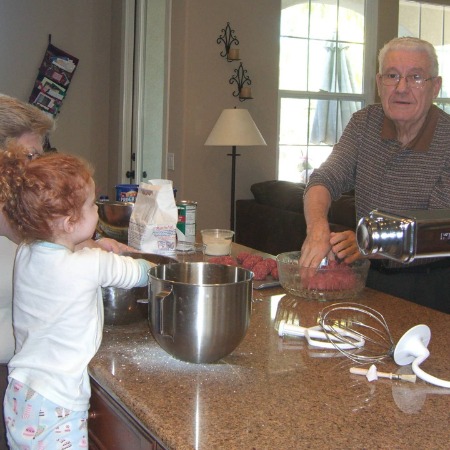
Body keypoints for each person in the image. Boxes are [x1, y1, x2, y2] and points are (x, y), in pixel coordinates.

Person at [0, 145, 153, 448]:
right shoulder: (89, 265)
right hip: (58, 404)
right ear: (70, 222)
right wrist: (153, 265)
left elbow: (63, 254)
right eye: (93, 205)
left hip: (20, 392)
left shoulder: (26, 254)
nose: (98, 209)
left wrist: (90, 246)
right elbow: (138, 273)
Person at [300, 36, 450, 314]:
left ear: (436, 86)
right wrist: (317, 227)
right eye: (392, 76)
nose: (401, 87)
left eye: (415, 77)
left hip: (433, 289)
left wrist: (371, 241)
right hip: (368, 279)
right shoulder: (364, 123)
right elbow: (325, 178)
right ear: (379, 83)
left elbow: (439, 227)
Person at [0, 94, 132, 364]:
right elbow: (33, 230)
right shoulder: (10, 209)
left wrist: (88, 246)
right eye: (30, 155)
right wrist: (92, 250)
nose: (37, 166)